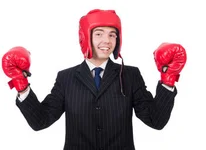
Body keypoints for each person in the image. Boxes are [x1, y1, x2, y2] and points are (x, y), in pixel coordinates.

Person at [1, 9, 188, 150]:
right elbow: (40, 121)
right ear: (85, 37)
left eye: (112, 34)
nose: (107, 41)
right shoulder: (65, 78)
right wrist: (21, 84)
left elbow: (156, 121)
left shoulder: (130, 75)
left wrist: (168, 78)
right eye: (99, 34)